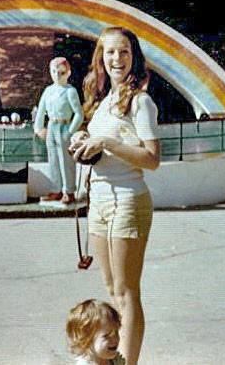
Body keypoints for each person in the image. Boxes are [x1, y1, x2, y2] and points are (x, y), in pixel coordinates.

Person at [70, 26, 160, 365]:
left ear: (134, 57)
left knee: (126, 292)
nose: (117, 59)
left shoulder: (141, 102)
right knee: (111, 289)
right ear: (101, 58)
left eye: (124, 51)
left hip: (128, 200)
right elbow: (101, 147)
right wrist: (82, 140)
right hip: (99, 201)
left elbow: (152, 159)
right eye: (110, 52)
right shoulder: (104, 100)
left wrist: (107, 143)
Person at [34, 57, 84, 204]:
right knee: (53, 159)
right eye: (54, 72)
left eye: (61, 72)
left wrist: (70, 131)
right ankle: (56, 189)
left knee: (66, 160)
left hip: (64, 126)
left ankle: (69, 191)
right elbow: (41, 111)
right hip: (51, 126)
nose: (57, 75)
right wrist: (38, 128)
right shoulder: (48, 91)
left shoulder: (70, 91)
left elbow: (79, 114)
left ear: (68, 73)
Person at [66, 299, 125, 365]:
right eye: (106, 335)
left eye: (116, 333)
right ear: (86, 339)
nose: (115, 339)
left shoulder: (115, 360)